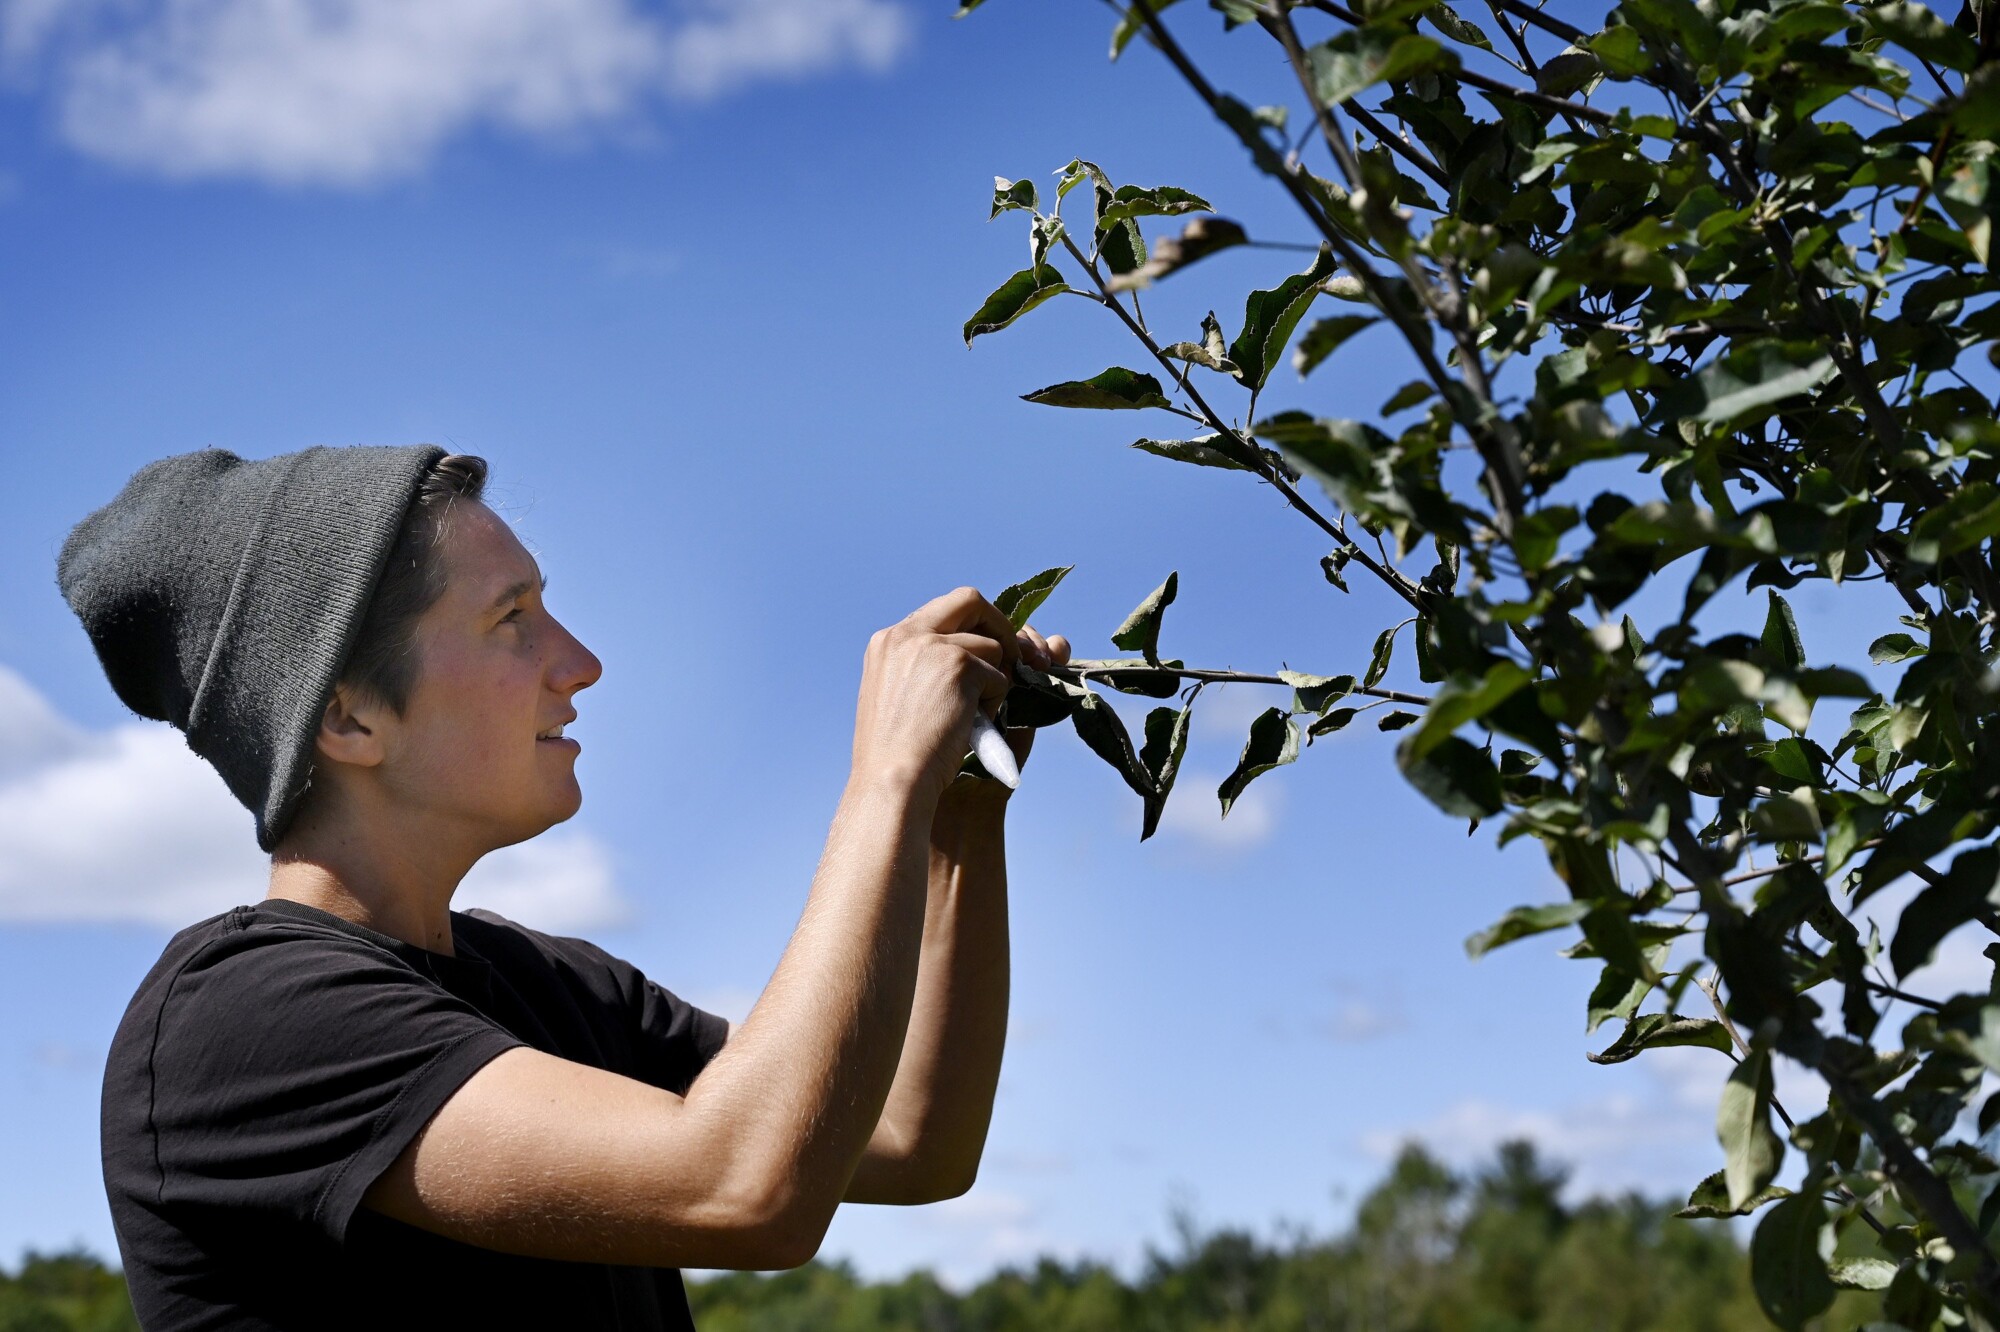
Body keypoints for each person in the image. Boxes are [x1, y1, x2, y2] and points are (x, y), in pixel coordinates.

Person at [56, 443, 1070, 1331]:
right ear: (351, 717)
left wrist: (957, 817)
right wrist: (884, 778)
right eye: (512, 621)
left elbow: (907, 1138)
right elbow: (750, 1186)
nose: (578, 663)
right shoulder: (242, 1020)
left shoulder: (554, 988)